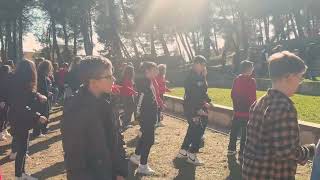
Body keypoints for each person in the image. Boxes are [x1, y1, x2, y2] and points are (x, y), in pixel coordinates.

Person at [242, 51, 315, 179]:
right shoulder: (284, 107)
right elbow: (286, 152)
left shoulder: (259, 102)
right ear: (288, 77)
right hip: (273, 174)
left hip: (252, 172)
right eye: (299, 77)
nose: (300, 82)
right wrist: (309, 150)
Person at [61, 56, 128, 180]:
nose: (113, 79)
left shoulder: (109, 102)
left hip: (111, 172)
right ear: (93, 82)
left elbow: (118, 138)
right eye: (108, 76)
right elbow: (75, 159)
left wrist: (120, 170)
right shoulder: (75, 109)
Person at [4, 59, 48, 180]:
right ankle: (20, 175)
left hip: (15, 116)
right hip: (19, 118)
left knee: (22, 147)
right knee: (22, 148)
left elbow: (27, 95)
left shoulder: (15, 81)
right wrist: (38, 116)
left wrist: (38, 95)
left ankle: (21, 173)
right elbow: (21, 106)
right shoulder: (19, 84)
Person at [176, 55, 212, 166]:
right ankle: (192, 155)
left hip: (195, 107)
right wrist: (198, 110)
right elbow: (193, 96)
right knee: (198, 130)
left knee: (193, 129)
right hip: (194, 109)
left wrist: (208, 101)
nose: (204, 67)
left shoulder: (198, 76)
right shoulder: (193, 78)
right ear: (197, 64)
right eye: (202, 65)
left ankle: (183, 151)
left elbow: (202, 93)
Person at [130, 62, 158, 175]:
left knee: (144, 137)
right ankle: (143, 166)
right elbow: (139, 104)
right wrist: (139, 117)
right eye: (154, 70)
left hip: (149, 117)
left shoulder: (148, 82)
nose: (156, 72)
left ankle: (136, 156)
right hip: (146, 118)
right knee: (149, 140)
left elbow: (152, 99)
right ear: (147, 71)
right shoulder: (143, 85)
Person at [227, 60, 256, 161]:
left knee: (234, 131)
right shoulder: (251, 81)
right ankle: (242, 153)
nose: (253, 69)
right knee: (245, 134)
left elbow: (232, 94)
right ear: (248, 69)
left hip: (237, 111)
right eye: (252, 67)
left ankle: (231, 149)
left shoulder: (236, 80)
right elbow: (253, 98)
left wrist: (236, 105)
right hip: (247, 113)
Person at [32, 60, 53, 137]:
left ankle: (42, 130)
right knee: (43, 114)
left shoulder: (38, 74)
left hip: (39, 97)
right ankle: (37, 132)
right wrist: (48, 93)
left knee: (42, 114)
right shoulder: (43, 76)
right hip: (42, 98)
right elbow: (43, 88)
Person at [119, 65, 137, 130]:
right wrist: (134, 91)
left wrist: (133, 91)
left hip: (129, 95)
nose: (133, 72)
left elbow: (130, 86)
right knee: (128, 110)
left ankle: (125, 120)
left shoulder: (130, 78)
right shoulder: (126, 77)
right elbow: (126, 87)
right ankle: (125, 124)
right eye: (133, 70)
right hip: (126, 95)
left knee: (131, 109)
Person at [0, 65, 12, 141]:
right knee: (2, 117)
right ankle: (1, 133)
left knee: (6, 116)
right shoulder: (3, 79)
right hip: (2, 101)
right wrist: (1, 100)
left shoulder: (7, 78)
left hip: (6, 100)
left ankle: (4, 130)